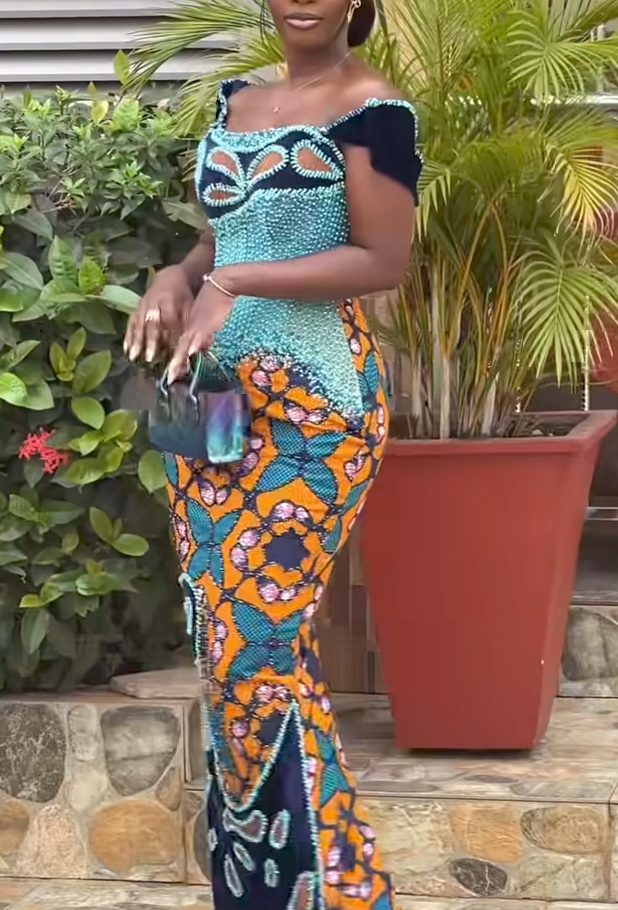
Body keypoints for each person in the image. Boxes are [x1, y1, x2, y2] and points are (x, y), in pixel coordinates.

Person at [124, 0, 421, 906]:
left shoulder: (375, 110)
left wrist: (236, 281)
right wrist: (174, 278)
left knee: (258, 647)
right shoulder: (236, 104)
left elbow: (384, 259)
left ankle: (330, 890)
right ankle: (282, 889)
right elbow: (217, 241)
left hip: (315, 410)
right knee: (223, 647)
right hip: (206, 400)